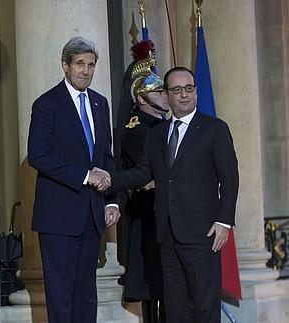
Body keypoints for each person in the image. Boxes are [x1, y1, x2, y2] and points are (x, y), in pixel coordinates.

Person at [110, 66, 239, 323]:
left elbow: (230, 178)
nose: (183, 95)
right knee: (175, 308)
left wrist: (224, 222)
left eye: (188, 89)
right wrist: (107, 180)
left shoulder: (214, 128)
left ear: (196, 93)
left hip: (204, 235)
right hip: (167, 235)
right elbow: (142, 172)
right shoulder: (157, 134)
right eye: (176, 90)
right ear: (166, 96)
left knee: (204, 308)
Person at [27, 36, 120, 322]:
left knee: (86, 295)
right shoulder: (46, 104)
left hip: (92, 215)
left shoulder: (99, 104)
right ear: (65, 65)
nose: (86, 71)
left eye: (91, 65)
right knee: (61, 296)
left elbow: (106, 156)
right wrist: (85, 176)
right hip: (58, 218)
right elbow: (38, 155)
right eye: (79, 64)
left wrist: (112, 201)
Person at [118, 41, 168, 323]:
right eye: (159, 92)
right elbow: (147, 171)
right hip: (147, 214)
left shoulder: (163, 126)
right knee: (152, 290)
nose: (165, 96)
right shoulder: (136, 130)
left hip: (165, 215)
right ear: (142, 97)